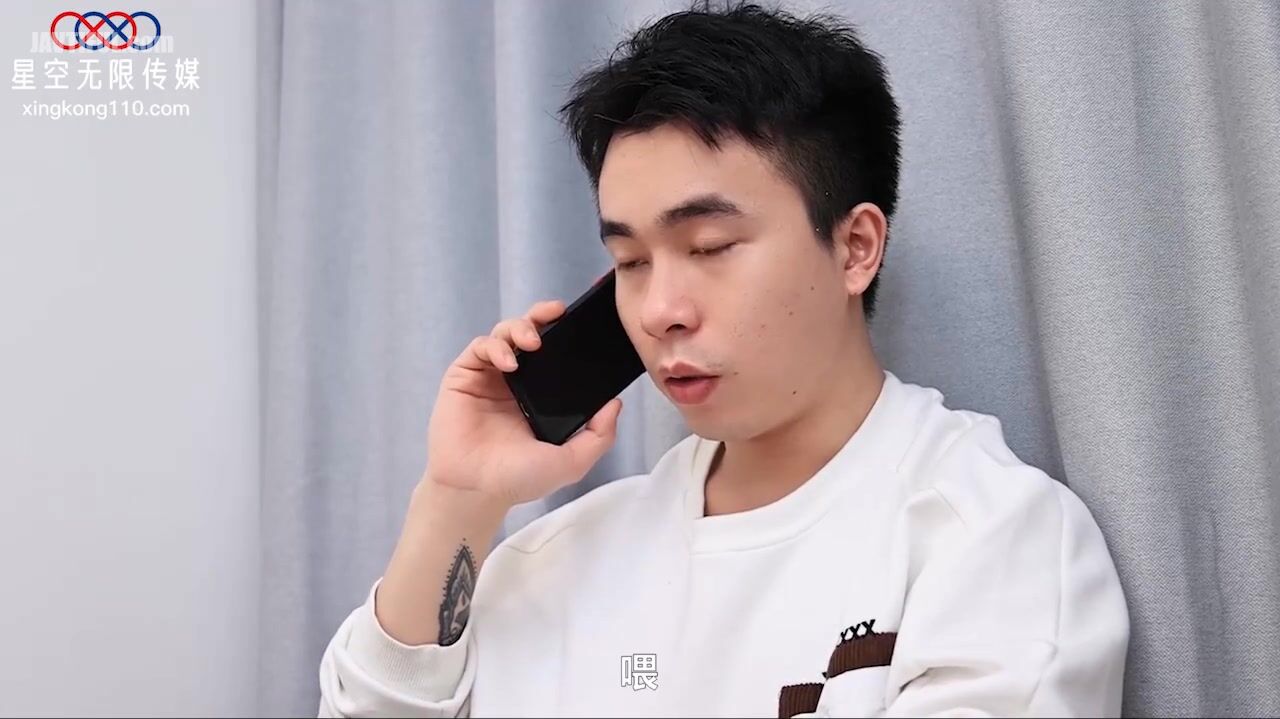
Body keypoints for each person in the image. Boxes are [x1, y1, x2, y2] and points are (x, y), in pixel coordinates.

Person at [317, 2, 1130, 716]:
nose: (659, 309)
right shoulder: (554, 558)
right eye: (630, 261)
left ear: (855, 247)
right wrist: (458, 500)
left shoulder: (991, 540)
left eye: (709, 245)